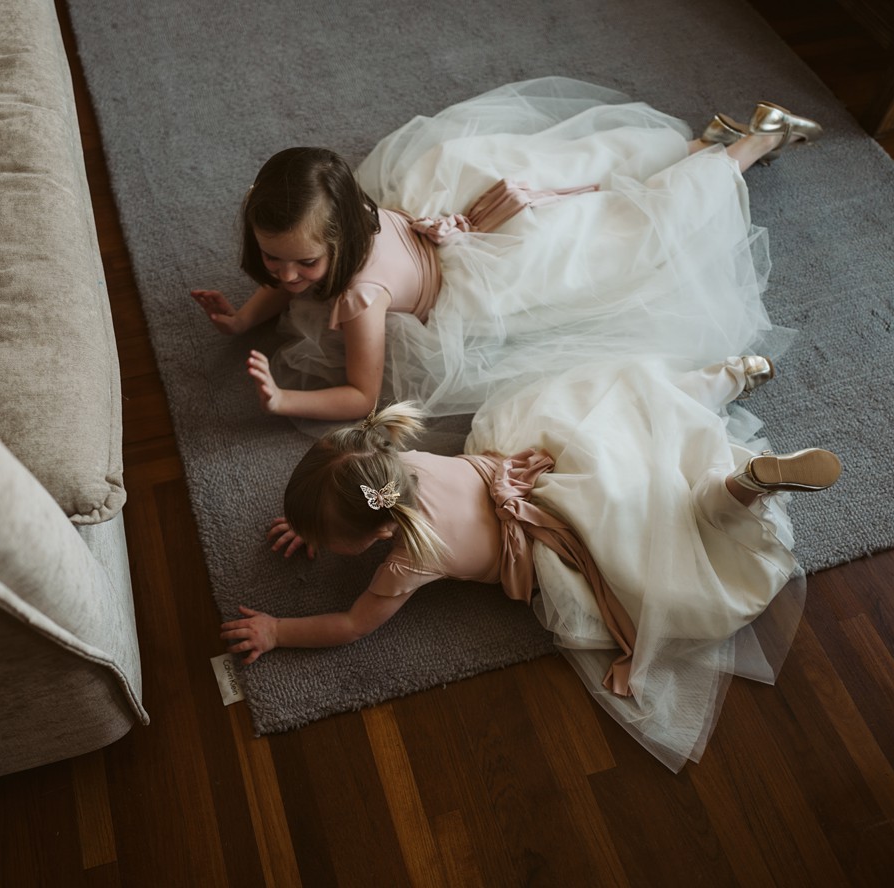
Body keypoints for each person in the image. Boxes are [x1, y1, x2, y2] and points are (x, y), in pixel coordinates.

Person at [218, 355, 842, 771]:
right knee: (634, 442)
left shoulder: (408, 562)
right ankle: (726, 385)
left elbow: (353, 625)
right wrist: (319, 524)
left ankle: (737, 491)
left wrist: (280, 631)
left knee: (671, 569)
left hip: (557, 541)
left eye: (330, 540)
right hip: (545, 469)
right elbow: (350, 496)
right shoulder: (388, 467)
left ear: (383, 531)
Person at [191, 77, 823, 421]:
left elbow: (361, 396)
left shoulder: (363, 300)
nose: (289, 277)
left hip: (488, 275)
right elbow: (293, 271)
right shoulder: (346, 207)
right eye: (274, 261)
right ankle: (693, 149)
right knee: (578, 179)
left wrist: (285, 400)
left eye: (305, 263)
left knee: (625, 243)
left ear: (339, 238)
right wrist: (246, 315)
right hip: (456, 212)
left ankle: (747, 147)